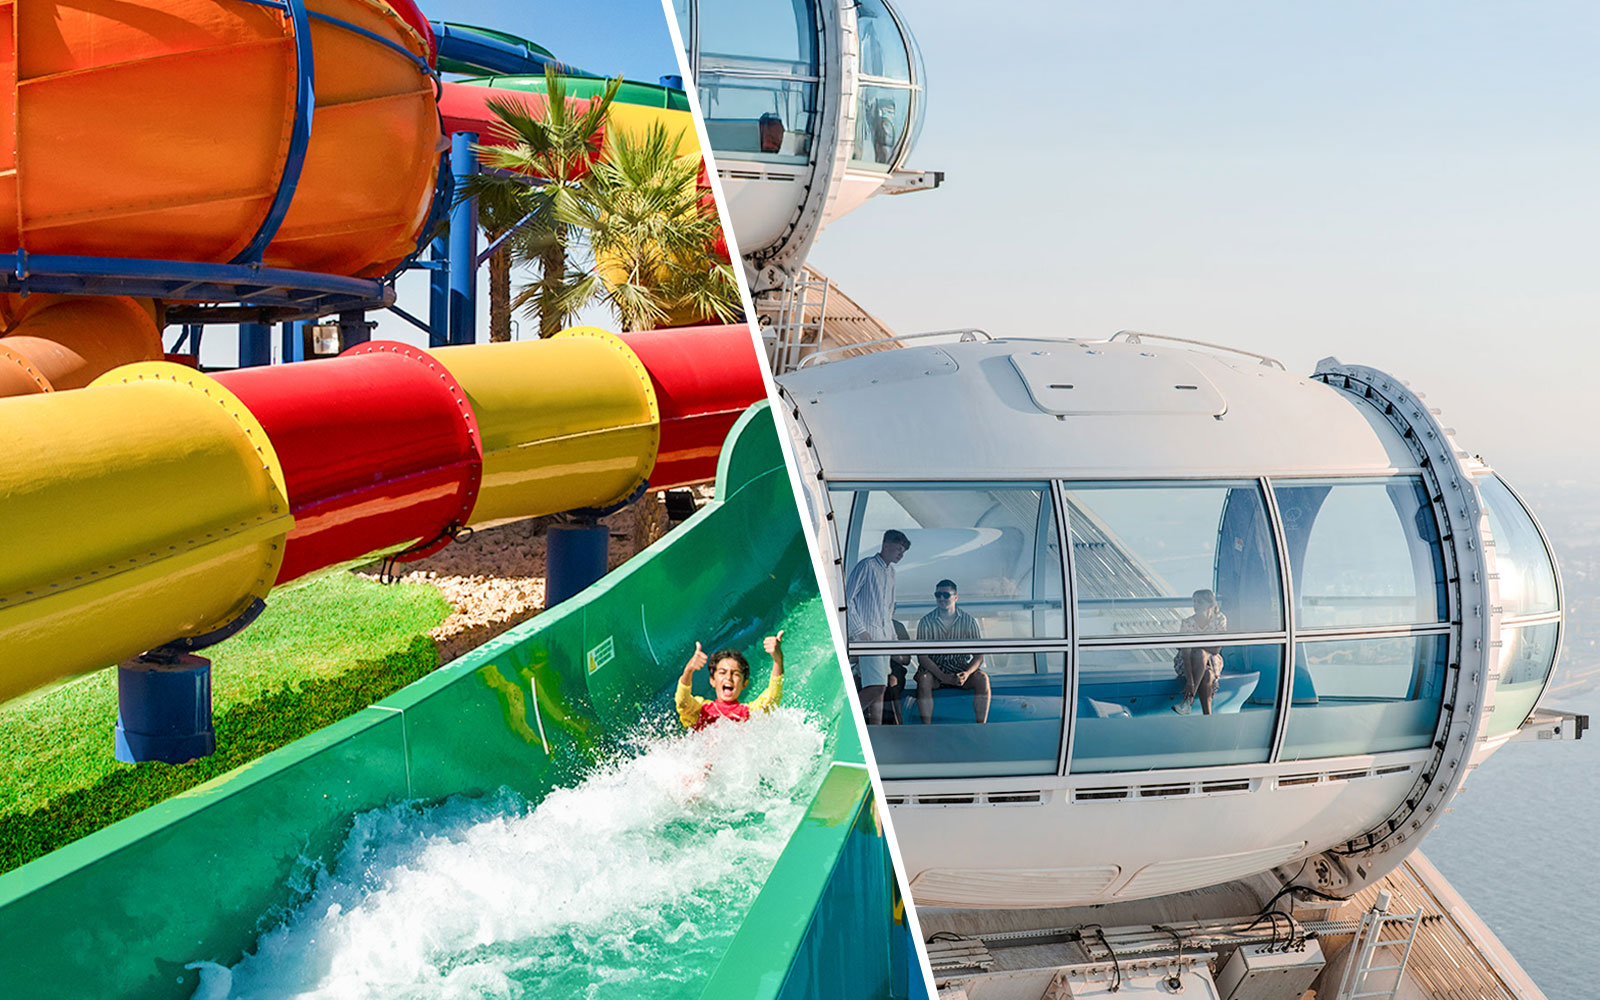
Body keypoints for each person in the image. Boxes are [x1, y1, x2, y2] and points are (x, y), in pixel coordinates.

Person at [845, 529, 909, 724]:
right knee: (877, 686)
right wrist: (860, 631)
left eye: (903, 551)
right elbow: (847, 599)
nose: (900, 554)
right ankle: (847, 718)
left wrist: (893, 642)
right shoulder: (866, 566)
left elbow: (888, 611)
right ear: (886, 545)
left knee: (879, 689)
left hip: (884, 639)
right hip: (869, 639)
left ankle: (876, 728)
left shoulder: (891, 573)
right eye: (898, 549)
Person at [915, 579, 990, 724]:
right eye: (938, 595)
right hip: (934, 670)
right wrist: (941, 676)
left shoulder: (969, 621)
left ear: (956, 597)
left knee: (982, 678)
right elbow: (922, 657)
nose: (941, 598)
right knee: (924, 679)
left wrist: (967, 673)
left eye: (945, 595)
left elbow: (979, 655)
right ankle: (927, 727)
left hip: (960, 669)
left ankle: (981, 726)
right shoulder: (926, 621)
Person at [676, 631, 784, 730]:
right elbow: (682, 702)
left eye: (735, 674)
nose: (728, 677)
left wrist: (778, 660)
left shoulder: (748, 713)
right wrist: (688, 670)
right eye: (722, 672)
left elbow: (772, 699)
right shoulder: (701, 710)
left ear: (744, 684)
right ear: (712, 680)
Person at [1173, 590, 1227, 715]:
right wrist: (1190, 682)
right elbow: (1185, 654)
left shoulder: (1219, 619)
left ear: (1210, 604)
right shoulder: (1188, 622)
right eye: (1194, 601)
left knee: (1204, 663)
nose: (1195, 605)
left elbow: (1216, 649)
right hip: (1187, 664)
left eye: (1199, 602)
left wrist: (1195, 645)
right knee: (1204, 666)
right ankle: (1207, 716)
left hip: (1212, 661)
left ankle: (1188, 702)